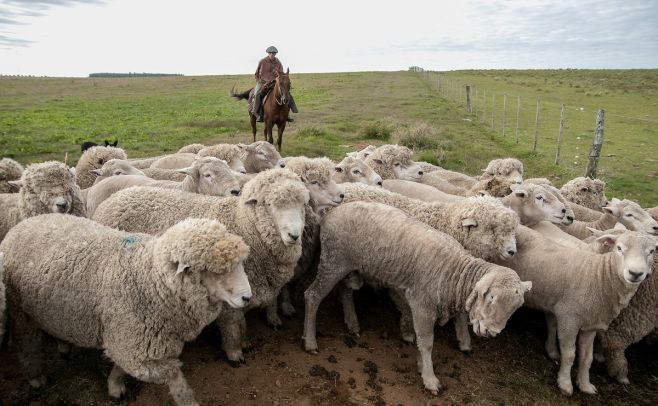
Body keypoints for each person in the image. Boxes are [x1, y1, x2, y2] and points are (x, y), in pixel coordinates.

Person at [253, 45, 298, 122]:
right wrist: (258, 82)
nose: (272, 54)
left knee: (286, 93)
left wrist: (281, 80)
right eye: (270, 53)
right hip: (263, 82)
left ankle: (289, 113)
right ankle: (256, 113)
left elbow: (281, 74)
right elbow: (256, 73)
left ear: (275, 54)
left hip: (274, 82)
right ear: (268, 53)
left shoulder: (278, 62)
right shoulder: (262, 61)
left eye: (273, 53)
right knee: (257, 94)